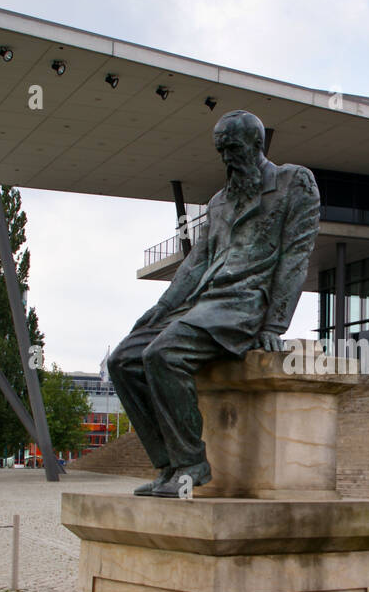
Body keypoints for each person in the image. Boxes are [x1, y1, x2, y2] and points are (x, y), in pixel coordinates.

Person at [108, 110, 320, 497]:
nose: (226, 159)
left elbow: (296, 256)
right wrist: (161, 308)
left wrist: (274, 324)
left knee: (164, 355)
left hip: (243, 304)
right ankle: (168, 466)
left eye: (233, 149)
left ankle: (192, 465)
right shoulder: (220, 201)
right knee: (122, 360)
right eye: (221, 151)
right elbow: (196, 263)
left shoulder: (294, 182)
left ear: (258, 145)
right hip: (201, 304)